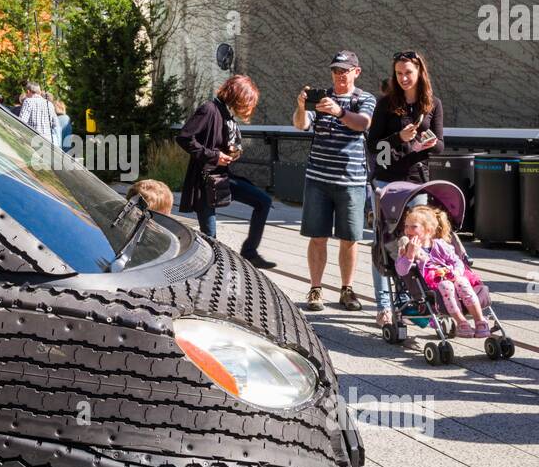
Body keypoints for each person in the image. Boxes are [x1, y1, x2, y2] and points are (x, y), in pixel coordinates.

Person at [367, 50, 445, 327]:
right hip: (387, 181)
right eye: (399, 73)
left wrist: (428, 142)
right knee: (385, 243)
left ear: (420, 72)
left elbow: (441, 145)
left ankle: (413, 300)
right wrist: (398, 137)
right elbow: (372, 144)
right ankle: (384, 305)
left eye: (408, 73)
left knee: (416, 242)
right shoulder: (386, 104)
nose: (403, 78)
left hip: (416, 182)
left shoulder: (432, 103)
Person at [294, 50, 377, 311]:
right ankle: (315, 289)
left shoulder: (365, 99)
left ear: (356, 71)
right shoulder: (322, 98)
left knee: (349, 238)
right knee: (317, 236)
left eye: (344, 70)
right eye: (335, 71)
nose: (339, 75)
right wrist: (300, 106)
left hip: (351, 180)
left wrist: (339, 111)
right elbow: (300, 125)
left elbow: (362, 124)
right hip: (318, 178)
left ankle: (346, 289)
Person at [176, 75, 276, 269]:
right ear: (237, 95)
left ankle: (249, 252)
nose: (247, 107)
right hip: (205, 182)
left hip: (222, 177)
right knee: (210, 239)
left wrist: (232, 152)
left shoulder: (226, 113)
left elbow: (222, 142)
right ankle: (205, 274)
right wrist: (214, 156)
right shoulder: (209, 109)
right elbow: (184, 137)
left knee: (263, 201)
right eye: (247, 102)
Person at [395, 206, 489, 337]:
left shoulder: (440, 245)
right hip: (433, 286)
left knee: (462, 281)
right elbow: (401, 270)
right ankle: (461, 322)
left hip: (452, 276)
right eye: (406, 226)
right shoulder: (407, 248)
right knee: (446, 286)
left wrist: (455, 272)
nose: (408, 230)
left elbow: (457, 261)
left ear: (428, 230)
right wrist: (410, 255)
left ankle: (480, 321)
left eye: (413, 227)